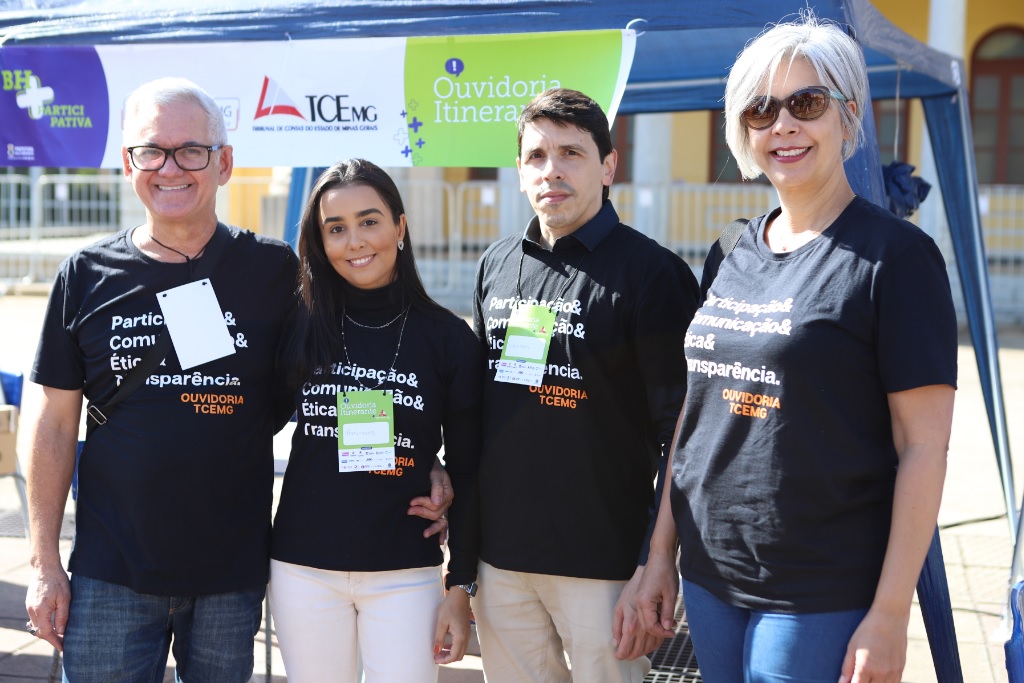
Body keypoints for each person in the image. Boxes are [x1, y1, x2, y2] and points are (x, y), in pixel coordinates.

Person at [22, 78, 452, 682]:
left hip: (231, 575)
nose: (171, 168)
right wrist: (43, 562)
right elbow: (52, 421)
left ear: (224, 163)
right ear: (128, 165)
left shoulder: (276, 271)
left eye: (191, 150)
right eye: (152, 151)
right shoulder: (86, 275)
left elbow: (351, 367)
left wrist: (422, 460)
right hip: (111, 572)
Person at [634, 14, 958, 683]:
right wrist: (658, 554)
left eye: (805, 104)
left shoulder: (897, 259)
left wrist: (892, 610)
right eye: (760, 109)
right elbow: (693, 422)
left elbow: (923, 446)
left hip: (822, 582)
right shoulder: (729, 248)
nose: (782, 125)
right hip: (711, 571)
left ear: (848, 116)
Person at [471, 87, 700, 682]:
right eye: (537, 156)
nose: (553, 171)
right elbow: (480, 409)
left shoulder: (653, 276)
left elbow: (683, 433)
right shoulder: (496, 265)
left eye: (571, 153)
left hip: (605, 567)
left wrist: (657, 562)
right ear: (520, 171)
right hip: (503, 564)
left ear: (608, 165)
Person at [267, 158, 482, 682]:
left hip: (405, 572)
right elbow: (248, 423)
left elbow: (473, 469)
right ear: (320, 242)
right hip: (302, 567)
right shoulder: (297, 324)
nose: (355, 241)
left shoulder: (447, 339)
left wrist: (461, 585)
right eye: (335, 229)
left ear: (400, 227)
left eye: (369, 221)